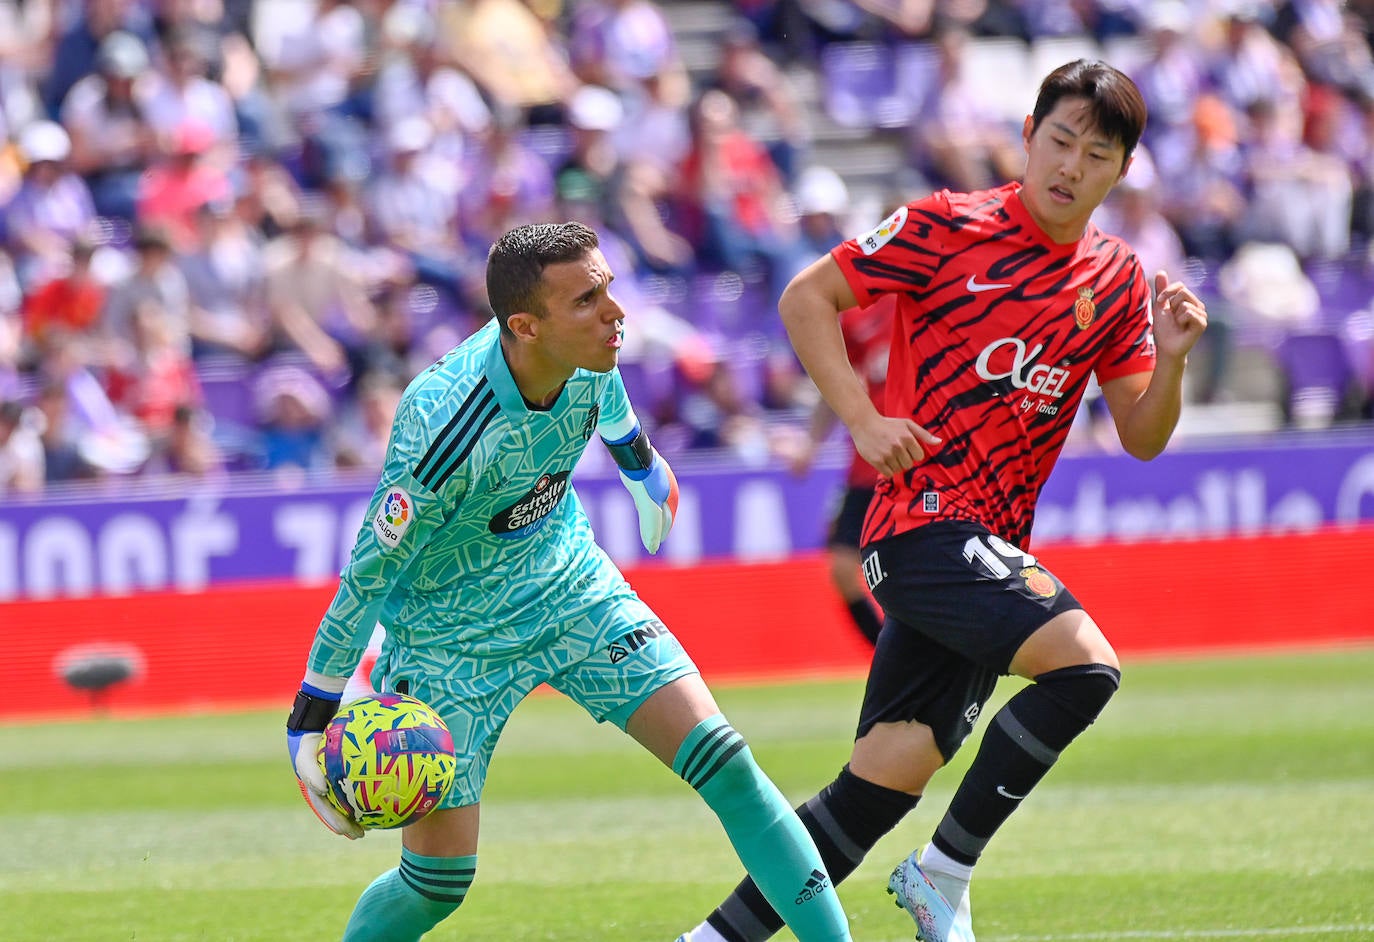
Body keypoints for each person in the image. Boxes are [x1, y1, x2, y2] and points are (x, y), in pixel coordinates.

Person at [677, 59, 1209, 942]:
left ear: (1121, 171)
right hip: (919, 525)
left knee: (875, 788)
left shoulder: (1116, 282)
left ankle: (711, 940)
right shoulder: (947, 225)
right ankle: (943, 874)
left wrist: (1175, 356)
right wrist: (862, 419)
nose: (1070, 166)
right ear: (1028, 135)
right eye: (1060, 140)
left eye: (1096, 153)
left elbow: (1142, 436)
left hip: (985, 541)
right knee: (1086, 667)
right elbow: (807, 298)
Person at [284, 222, 854, 942]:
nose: (616, 313)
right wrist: (309, 718)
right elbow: (366, 578)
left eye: (609, 288)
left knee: (729, 766)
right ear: (525, 326)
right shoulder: (442, 422)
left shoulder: (592, 352)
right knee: (436, 888)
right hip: (451, 640)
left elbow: (611, 408)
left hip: (571, 589)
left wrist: (645, 468)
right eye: (589, 300)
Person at [786, 293, 894, 647]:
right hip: (868, 464)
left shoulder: (926, 294)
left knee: (911, 570)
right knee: (843, 569)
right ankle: (885, 656)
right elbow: (834, 380)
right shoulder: (859, 313)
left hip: (917, 462)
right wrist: (812, 443)